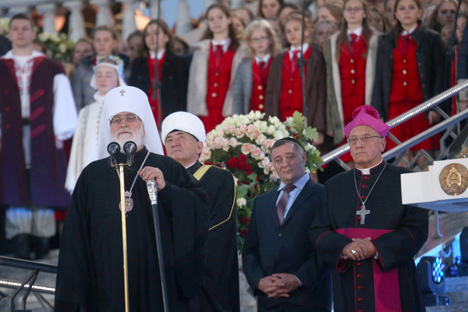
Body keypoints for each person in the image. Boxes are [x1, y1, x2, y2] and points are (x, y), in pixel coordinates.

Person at [55, 86, 208, 311]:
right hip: (105, 280)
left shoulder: (167, 167)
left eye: (130, 118)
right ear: (109, 129)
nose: (123, 123)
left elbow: (199, 209)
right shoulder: (92, 174)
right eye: (116, 120)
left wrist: (167, 189)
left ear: (144, 126)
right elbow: (75, 236)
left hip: (155, 278)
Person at [310, 105, 428, 312]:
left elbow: (416, 230)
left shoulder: (407, 179)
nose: (358, 144)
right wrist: (344, 247)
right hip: (347, 279)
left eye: (366, 137)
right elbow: (318, 231)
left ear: (382, 143)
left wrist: (376, 248)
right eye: (353, 139)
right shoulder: (333, 186)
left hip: (394, 278)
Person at [0, 14, 77, 260]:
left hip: (42, 132)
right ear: (9, 34)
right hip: (10, 132)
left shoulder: (51, 66)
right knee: (14, 180)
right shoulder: (1, 65)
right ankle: (20, 237)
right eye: (16, 29)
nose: (20, 33)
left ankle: (42, 236)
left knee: (41, 179)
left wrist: (59, 131)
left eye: (25, 28)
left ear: (34, 33)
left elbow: (63, 99)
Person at [161, 111, 239, 312]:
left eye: (181, 137)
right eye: (169, 139)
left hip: (205, 276)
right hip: (166, 274)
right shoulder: (158, 182)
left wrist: (181, 253)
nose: (174, 142)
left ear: (199, 146)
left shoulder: (219, 178)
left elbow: (221, 224)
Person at [243, 138, 332, 312]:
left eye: (290, 157)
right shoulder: (261, 202)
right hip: (270, 300)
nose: (285, 164)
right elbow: (250, 251)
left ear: (303, 158)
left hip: (310, 298)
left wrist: (299, 279)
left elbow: (328, 246)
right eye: (278, 160)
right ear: (273, 165)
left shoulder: (325, 194)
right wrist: (259, 281)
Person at [371, 0, 445, 160]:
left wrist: (435, 107)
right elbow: (379, 78)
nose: (407, 12)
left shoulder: (432, 38)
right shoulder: (385, 41)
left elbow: (440, 75)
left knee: (423, 157)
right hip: (395, 109)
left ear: (419, 12)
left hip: (422, 107)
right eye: (402, 8)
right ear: (395, 14)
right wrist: (378, 113)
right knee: (400, 159)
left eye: (411, 8)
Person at [264, 12, 330, 153]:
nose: (292, 34)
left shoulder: (316, 57)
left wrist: (318, 128)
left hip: (307, 118)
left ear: (306, 31)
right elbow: (270, 94)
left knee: (308, 161)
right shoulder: (279, 59)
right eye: (288, 31)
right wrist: (269, 126)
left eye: (296, 29)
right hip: (282, 120)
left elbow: (321, 94)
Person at [324, 0, 379, 163]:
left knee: (370, 148)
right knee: (349, 152)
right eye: (349, 9)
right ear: (344, 13)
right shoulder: (332, 42)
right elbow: (328, 83)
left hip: (366, 99)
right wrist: (331, 118)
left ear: (364, 13)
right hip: (344, 104)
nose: (353, 12)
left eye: (357, 9)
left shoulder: (376, 39)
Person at [65, 58, 127, 193]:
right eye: (99, 75)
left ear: (118, 79)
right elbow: (78, 147)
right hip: (89, 170)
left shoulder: (125, 109)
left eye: (109, 75)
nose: (102, 79)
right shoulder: (86, 111)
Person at [187, 4, 245, 132]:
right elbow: (192, 86)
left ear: (229, 19)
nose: (216, 22)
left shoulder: (241, 50)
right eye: (211, 19)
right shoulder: (200, 50)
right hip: (204, 113)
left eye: (220, 17)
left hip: (230, 113)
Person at [129, 19, 189, 127]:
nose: (151, 38)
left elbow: (182, 95)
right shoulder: (137, 64)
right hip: (143, 120)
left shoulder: (178, 63)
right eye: (147, 34)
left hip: (169, 119)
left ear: (166, 37)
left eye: (156, 33)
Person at [73, 25, 129, 110]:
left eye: (106, 40)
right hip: (91, 117)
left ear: (114, 43)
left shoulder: (125, 67)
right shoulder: (83, 69)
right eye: (97, 40)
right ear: (93, 43)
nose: (101, 44)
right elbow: (77, 101)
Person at [232, 20, 281, 115]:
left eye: (263, 38)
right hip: (252, 117)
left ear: (271, 39)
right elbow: (238, 96)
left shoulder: (278, 61)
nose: (259, 42)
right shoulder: (244, 65)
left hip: (274, 117)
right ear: (250, 43)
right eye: (255, 39)